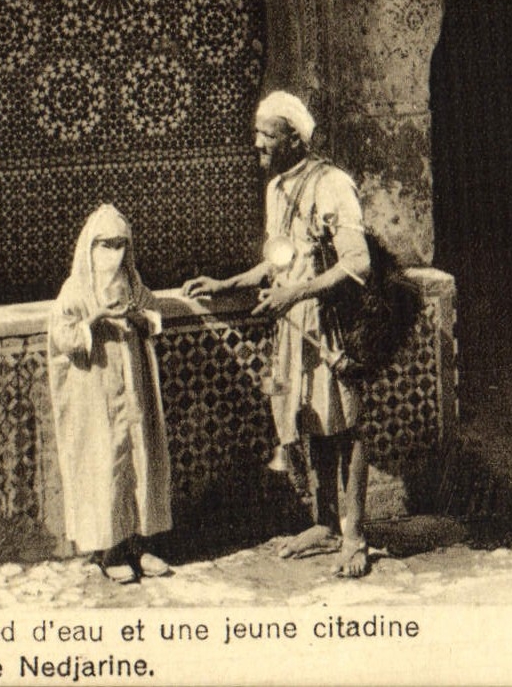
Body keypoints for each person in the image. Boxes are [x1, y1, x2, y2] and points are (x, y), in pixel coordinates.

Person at [183, 90, 373, 577]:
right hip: (294, 323)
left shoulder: (332, 184)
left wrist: (297, 294)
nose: (257, 143)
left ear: (294, 139)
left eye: (267, 134)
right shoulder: (276, 191)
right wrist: (227, 284)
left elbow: (357, 263)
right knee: (313, 419)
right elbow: (278, 261)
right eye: (257, 133)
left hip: (330, 323)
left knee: (348, 426)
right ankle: (325, 523)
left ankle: (355, 536)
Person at [48, 203, 173, 583]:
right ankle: (110, 550)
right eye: (106, 244)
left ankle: (141, 544)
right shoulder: (75, 289)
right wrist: (96, 319)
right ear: (91, 246)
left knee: (139, 459)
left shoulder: (132, 283)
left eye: (120, 244)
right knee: (106, 464)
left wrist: (139, 317)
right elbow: (63, 336)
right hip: (96, 393)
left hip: (133, 390)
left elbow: (153, 316)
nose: (114, 253)